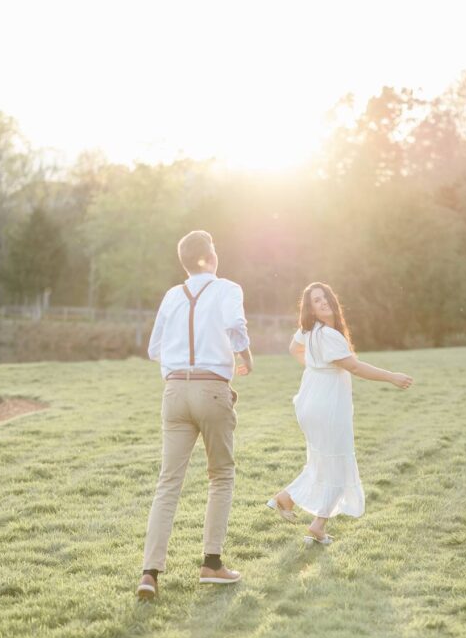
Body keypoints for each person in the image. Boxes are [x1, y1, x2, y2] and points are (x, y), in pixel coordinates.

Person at [137, 230, 253, 600]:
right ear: (211, 257)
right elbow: (236, 327)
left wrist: (182, 353)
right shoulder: (227, 289)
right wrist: (245, 357)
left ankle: (149, 574)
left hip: (174, 392)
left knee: (168, 483)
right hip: (211, 388)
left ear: (185, 262)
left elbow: (154, 348)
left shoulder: (173, 295)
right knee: (221, 475)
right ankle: (211, 563)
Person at [268, 282, 412, 544]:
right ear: (310, 309)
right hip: (326, 406)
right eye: (315, 301)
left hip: (311, 401)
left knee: (323, 462)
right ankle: (313, 521)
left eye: (324, 297)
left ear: (332, 300)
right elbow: (354, 367)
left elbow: (293, 348)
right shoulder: (328, 335)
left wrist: (316, 368)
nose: (322, 302)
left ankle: (292, 505)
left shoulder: (310, 331)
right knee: (339, 464)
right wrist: (391, 377)